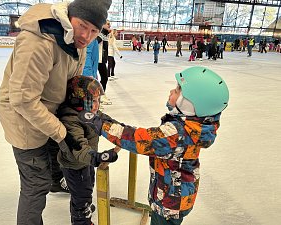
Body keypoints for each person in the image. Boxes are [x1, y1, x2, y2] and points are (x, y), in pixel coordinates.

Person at [0, 0, 112, 224]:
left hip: (49, 108)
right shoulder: (38, 42)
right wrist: (63, 132)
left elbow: (71, 82)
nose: (87, 36)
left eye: (94, 30)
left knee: (57, 153)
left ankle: (56, 181)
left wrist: (82, 110)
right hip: (22, 118)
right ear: (70, 17)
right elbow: (23, 100)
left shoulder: (79, 42)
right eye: (83, 26)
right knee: (35, 183)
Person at [79, 66, 229, 225]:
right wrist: (105, 120)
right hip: (177, 197)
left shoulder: (177, 134)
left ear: (190, 104)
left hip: (169, 204)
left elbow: (140, 140)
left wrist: (101, 125)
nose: (172, 91)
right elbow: (143, 135)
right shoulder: (193, 128)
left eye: (178, 90)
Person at [57, 75, 118, 225]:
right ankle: (81, 219)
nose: (97, 106)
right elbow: (80, 149)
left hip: (87, 162)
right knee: (82, 195)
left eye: (98, 101)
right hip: (75, 165)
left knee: (88, 185)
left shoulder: (88, 113)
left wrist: (122, 129)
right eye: (93, 101)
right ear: (78, 101)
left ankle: (83, 202)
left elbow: (105, 120)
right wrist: (99, 157)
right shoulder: (70, 121)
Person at [97, 20, 112, 105]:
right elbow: (97, 42)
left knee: (104, 77)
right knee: (103, 77)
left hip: (102, 60)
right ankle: (100, 96)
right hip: (98, 60)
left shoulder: (104, 34)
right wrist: (103, 33)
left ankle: (101, 96)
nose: (109, 25)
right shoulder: (99, 33)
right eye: (108, 24)